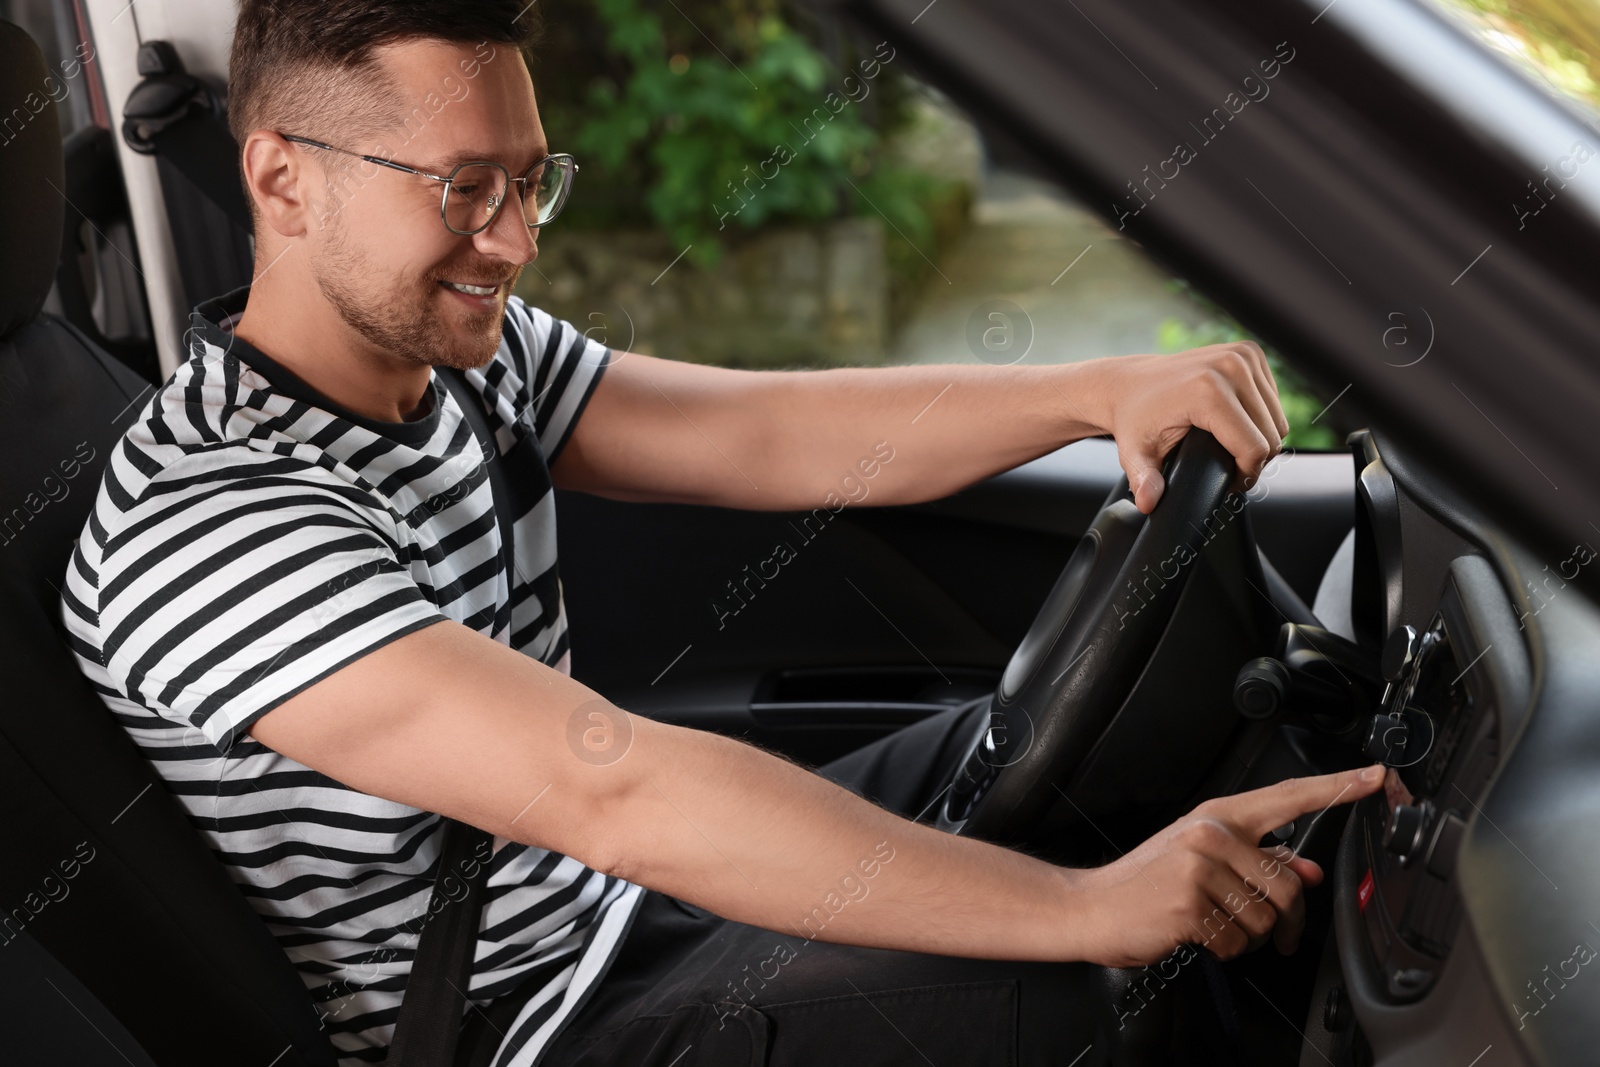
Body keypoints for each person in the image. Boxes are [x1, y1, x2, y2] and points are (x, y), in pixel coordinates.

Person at [60, 2, 1384, 1065]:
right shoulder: (205, 525)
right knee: (1051, 992)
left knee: (1086, 756)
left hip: (624, 909)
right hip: (529, 1019)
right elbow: (608, 786)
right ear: (284, 182)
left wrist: (1091, 393)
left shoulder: (464, 352)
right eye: (466, 188)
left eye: (531, 181)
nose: (514, 241)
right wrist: (1090, 917)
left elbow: (760, 436)